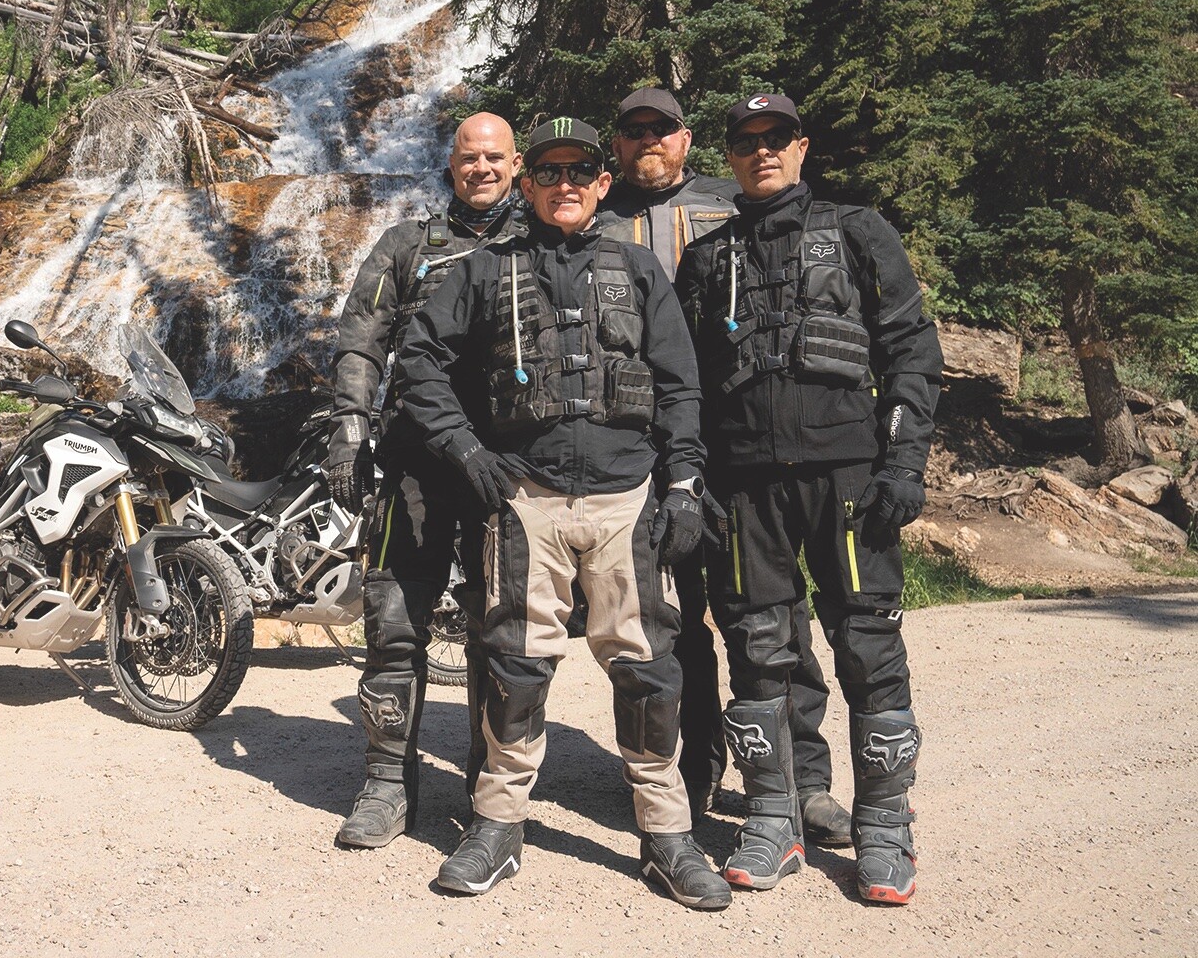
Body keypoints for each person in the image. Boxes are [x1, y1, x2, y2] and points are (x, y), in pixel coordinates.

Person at [396, 116, 732, 910]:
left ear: (603, 182)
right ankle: (498, 825)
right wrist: (467, 453)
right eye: (547, 172)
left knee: (649, 669)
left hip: (629, 498)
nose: (565, 184)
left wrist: (683, 482)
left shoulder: (640, 269)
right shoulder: (484, 271)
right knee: (513, 666)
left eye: (580, 170)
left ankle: (667, 836)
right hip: (525, 502)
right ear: (526, 183)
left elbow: (682, 384)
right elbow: (420, 362)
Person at [674, 93, 941, 904]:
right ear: (730, 154)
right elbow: (683, 385)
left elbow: (908, 351)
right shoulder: (706, 258)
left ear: (801, 147)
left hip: (849, 478)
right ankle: (771, 817)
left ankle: (886, 831)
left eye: (775, 139)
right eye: (746, 141)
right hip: (745, 486)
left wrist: (904, 462)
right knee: (757, 649)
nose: (761, 152)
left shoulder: (860, 231)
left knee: (867, 648)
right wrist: (690, 479)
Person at [597, 88, 853, 847]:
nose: (648, 139)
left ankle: (802, 780)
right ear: (616, 146)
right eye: (633, 129)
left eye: (662, 128)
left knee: (767, 618)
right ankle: (695, 766)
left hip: (738, 442)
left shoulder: (731, 206)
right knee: (669, 624)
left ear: (687, 139)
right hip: (639, 446)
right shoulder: (591, 218)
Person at [328, 111, 529, 848]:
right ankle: (385, 783)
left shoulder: (539, 244)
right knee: (394, 623)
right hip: (411, 461)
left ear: (516, 166)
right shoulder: (405, 246)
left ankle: (488, 784)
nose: (481, 168)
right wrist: (349, 425)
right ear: (452, 166)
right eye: (468, 158)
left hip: (502, 468)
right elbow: (360, 340)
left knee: (499, 630)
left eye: (494, 158)